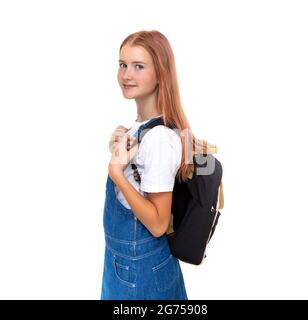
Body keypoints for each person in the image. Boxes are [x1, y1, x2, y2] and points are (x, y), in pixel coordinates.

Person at [101, 30, 212, 300]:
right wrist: (120, 154)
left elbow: (158, 223)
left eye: (139, 67)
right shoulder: (145, 128)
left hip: (141, 270)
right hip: (126, 262)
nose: (127, 75)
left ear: (160, 73)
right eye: (122, 65)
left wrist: (117, 173)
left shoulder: (159, 139)